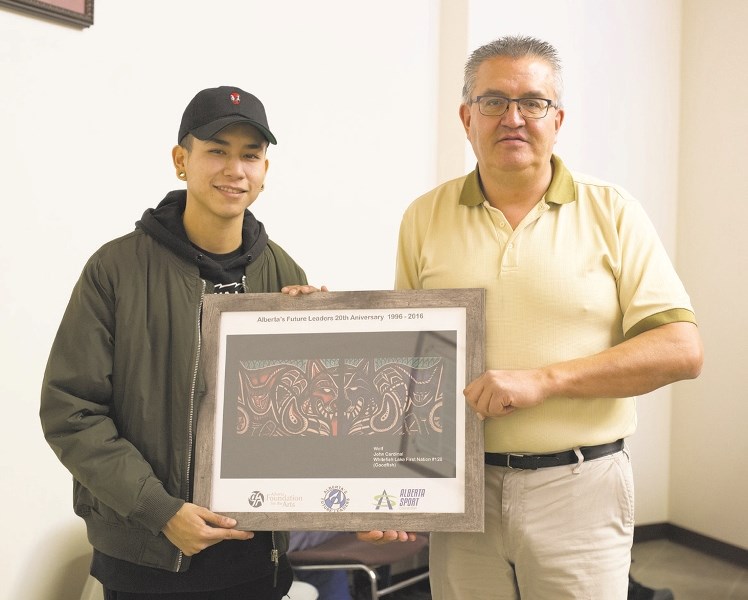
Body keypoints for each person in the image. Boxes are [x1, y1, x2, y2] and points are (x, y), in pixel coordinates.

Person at [389, 35, 703, 599]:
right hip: (464, 495)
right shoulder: (423, 217)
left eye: (532, 102)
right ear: (466, 117)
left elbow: (681, 349)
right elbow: (412, 363)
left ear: (557, 119)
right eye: (493, 102)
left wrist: (546, 380)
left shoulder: (614, 212)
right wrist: (391, 485)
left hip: (580, 486)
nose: (513, 117)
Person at [40, 86, 326, 600]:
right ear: (181, 160)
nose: (234, 169)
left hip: (256, 564)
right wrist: (161, 511)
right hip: (146, 562)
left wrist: (326, 332)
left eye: (250, 155)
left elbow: (304, 418)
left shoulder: (285, 273)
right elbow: (71, 412)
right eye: (216, 150)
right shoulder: (116, 269)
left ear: (265, 170)